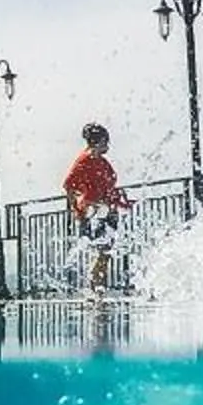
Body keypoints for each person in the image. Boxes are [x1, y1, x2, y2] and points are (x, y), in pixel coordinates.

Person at [64, 121, 132, 293]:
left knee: (105, 251)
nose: (108, 144)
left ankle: (97, 287)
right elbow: (69, 186)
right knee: (102, 250)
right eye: (105, 141)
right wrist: (78, 210)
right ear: (98, 140)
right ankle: (96, 287)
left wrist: (120, 202)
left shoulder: (101, 161)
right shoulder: (85, 159)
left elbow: (108, 186)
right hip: (94, 210)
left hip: (105, 209)